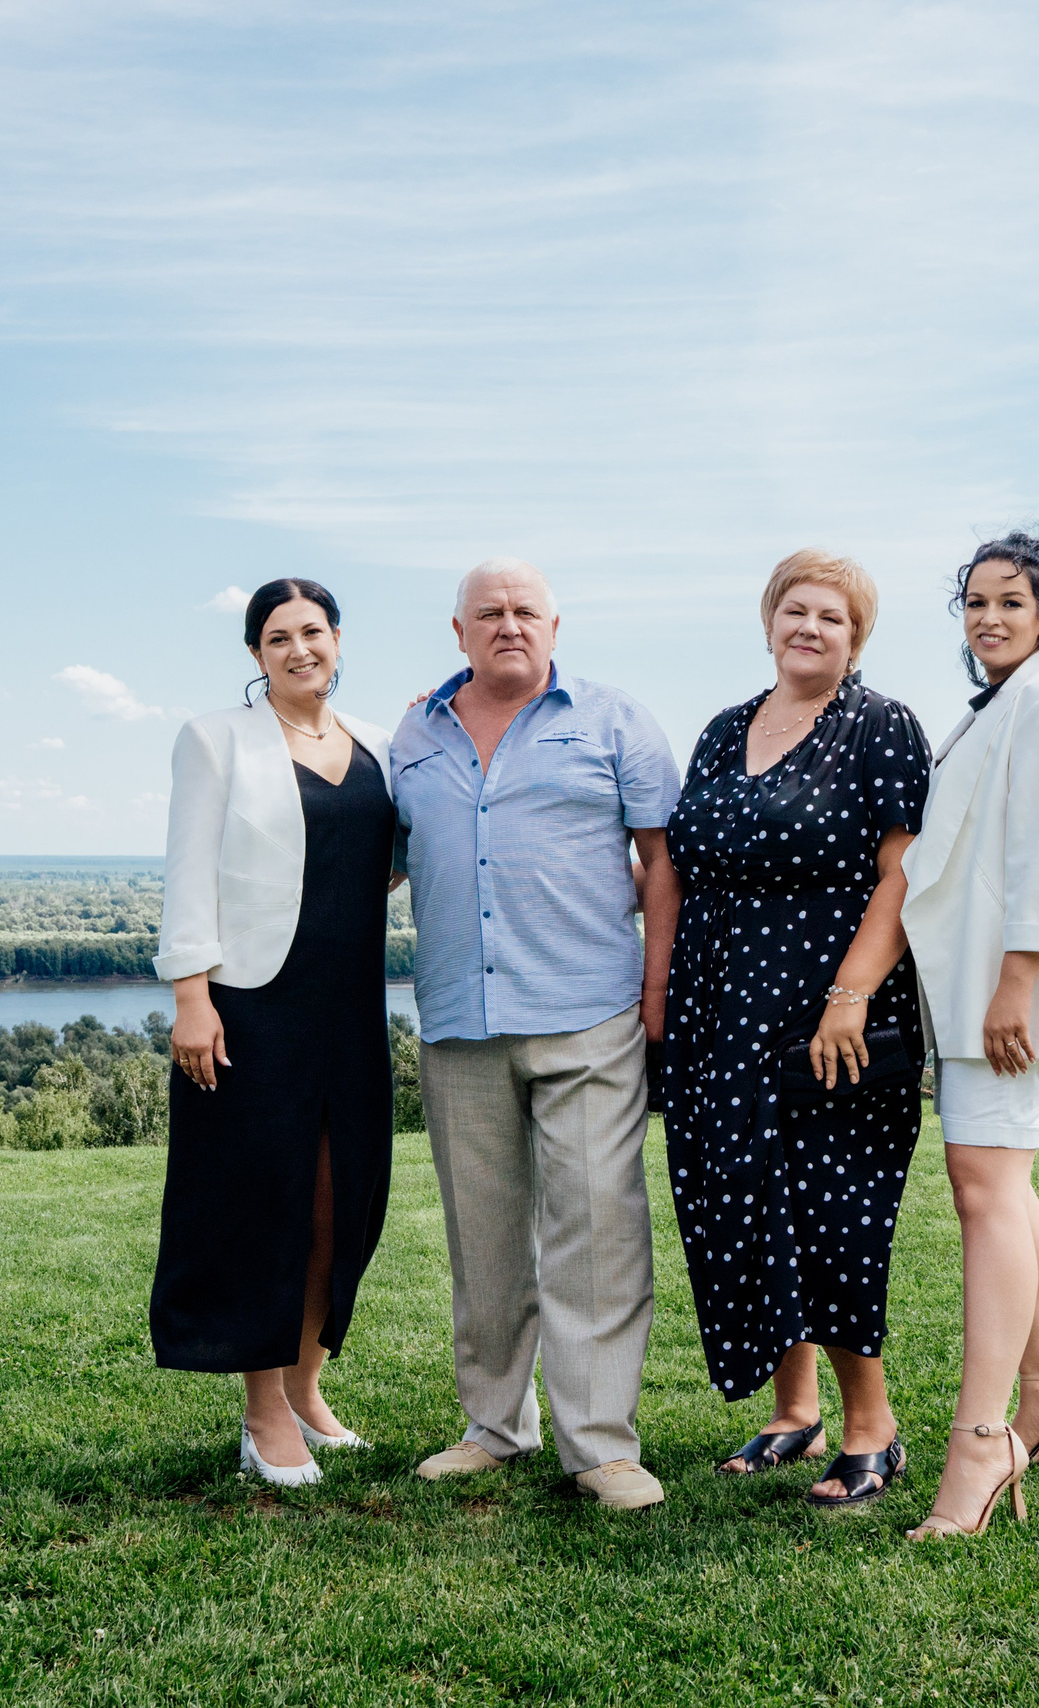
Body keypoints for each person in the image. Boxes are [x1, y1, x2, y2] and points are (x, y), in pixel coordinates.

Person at [391, 556, 683, 1511]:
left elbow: (663, 862)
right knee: (482, 1242)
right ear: (459, 631)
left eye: (525, 611)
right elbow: (382, 859)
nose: (508, 624)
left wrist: (656, 991)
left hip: (589, 1014)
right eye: (489, 613)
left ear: (556, 627)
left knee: (597, 1232)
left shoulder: (615, 721)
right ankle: (493, 1428)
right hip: (458, 1023)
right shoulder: (414, 731)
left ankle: (600, 1446)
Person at [661, 550, 931, 1508]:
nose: (810, 628)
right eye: (796, 610)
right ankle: (795, 1410)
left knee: (832, 1210)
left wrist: (850, 994)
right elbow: (679, 862)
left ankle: (874, 1431)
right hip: (718, 1011)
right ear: (769, 619)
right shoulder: (722, 729)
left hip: (830, 1015)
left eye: (834, 618)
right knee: (746, 1202)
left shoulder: (880, 725)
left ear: (857, 639)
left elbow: (904, 872)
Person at [150, 577, 400, 1488]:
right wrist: (192, 997)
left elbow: (382, 863)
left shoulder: (379, 743)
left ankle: (305, 1386)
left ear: (338, 638)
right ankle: (262, 1415)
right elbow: (188, 872)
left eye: (314, 631)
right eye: (279, 637)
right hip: (251, 1005)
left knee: (342, 1200)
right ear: (256, 654)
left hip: (351, 1005)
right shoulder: (215, 738)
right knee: (263, 1205)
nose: (301, 649)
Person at [897, 531, 1039, 1541]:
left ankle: (981, 1439)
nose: (989, 618)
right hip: (979, 992)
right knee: (1000, 1190)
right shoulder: (1005, 702)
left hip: (1008, 997)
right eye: (976, 602)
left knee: (985, 1195)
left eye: (1011, 602)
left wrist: (1015, 982)